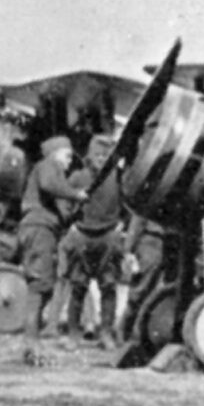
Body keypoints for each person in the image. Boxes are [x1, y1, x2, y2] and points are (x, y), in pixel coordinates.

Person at [48, 137, 126, 345]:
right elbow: (61, 200)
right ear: (90, 156)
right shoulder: (78, 177)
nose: (101, 159)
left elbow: (130, 202)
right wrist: (70, 224)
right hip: (82, 236)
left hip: (109, 236)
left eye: (105, 155)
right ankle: (74, 335)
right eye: (97, 155)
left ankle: (106, 334)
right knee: (78, 286)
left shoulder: (118, 177)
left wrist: (122, 226)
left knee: (108, 286)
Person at [20, 136, 86, 335]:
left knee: (45, 284)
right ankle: (30, 340)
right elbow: (48, 184)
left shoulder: (56, 174)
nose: (70, 162)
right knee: (40, 283)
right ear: (55, 153)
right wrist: (76, 194)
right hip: (39, 228)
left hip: (44, 229)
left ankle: (32, 335)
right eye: (67, 156)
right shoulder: (48, 165)